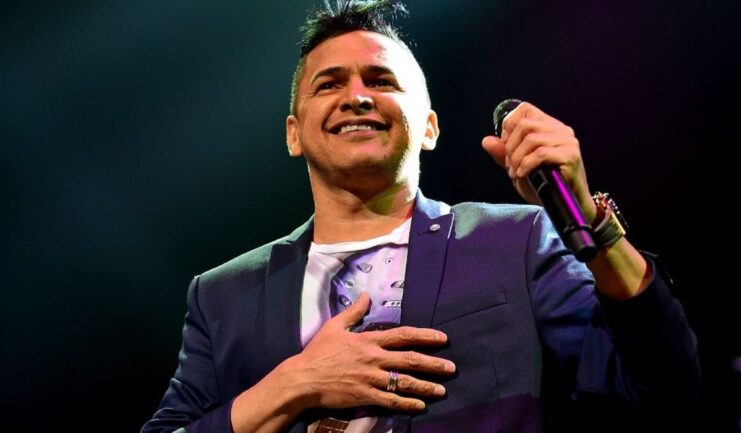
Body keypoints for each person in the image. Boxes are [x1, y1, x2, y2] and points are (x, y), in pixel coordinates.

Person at [142, 1, 700, 432]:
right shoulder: (223, 295)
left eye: (381, 81)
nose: (357, 97)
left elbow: (662, 386)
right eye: (329, 84)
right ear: (294, 134)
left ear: (429, 127)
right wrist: (295, 382)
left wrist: (591, 223)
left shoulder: (513, 240)